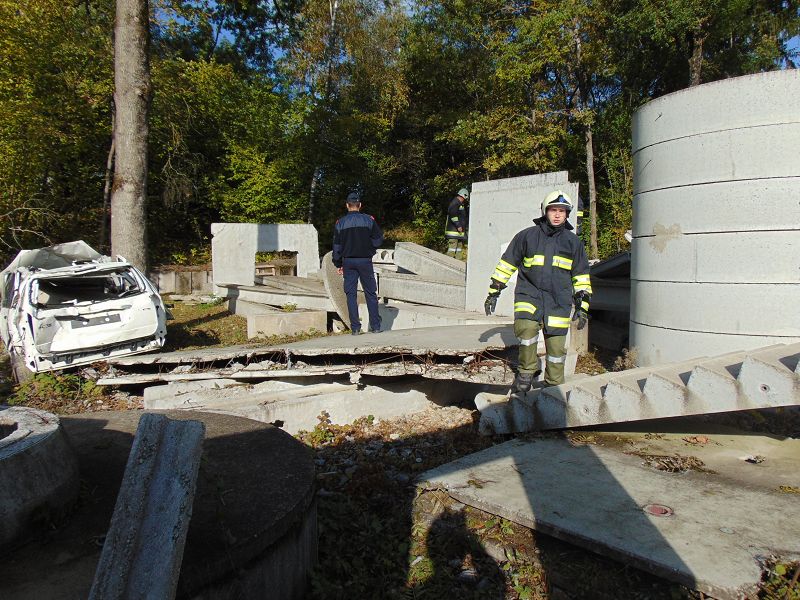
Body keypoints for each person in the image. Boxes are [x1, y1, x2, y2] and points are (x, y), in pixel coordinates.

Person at [484, 190, 592, 393]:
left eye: (562, 211)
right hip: (529, 293)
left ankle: (554, 387)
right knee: (526, 330)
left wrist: (582, 305)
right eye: (554, 210)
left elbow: (581, 275)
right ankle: (526, 373)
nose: (558, 214)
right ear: (545, 211)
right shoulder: (527, 236)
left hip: (558, 300)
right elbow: (507, 263)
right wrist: (494, 290)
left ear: (567, 214)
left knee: (557, 347)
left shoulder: (573, 242)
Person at [332, 191, 384, 335]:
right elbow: (379, 239)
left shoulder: (340, 223)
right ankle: (376, 326)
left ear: (347, 205)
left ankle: (355, 328)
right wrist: (369, 247)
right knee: (371, 293)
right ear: (360, 205)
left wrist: (338, 263)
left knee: (351, 295)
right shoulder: (369, 220)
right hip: (365, 261)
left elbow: (337, 246)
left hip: (348, 262)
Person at [445, 188, 469, 259]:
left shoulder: (459, 204)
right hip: (454, 231)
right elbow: (453, 215)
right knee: (452, 249)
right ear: (462, 196)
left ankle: (458, 264)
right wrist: (458, 225)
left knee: (459, 249)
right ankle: (448, 264)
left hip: (458, 233)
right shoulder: (455, 203)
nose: (464, 200)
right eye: (464, 198)